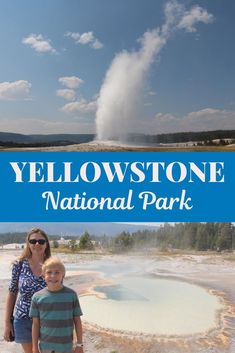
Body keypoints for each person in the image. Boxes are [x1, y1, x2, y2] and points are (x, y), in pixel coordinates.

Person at [4, 228, 51, 353]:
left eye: (41, 241)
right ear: (28, 243)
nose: (37, 244)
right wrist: (7, 323)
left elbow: (59, 294)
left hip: (47, 319)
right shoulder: (19, 265)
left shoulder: (52, 266)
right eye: (33, 241)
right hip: (23, 318)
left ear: (46, 244)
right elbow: (12, 292)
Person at [30, 256, 84, 353]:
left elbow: (77, 320)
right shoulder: (37, 297)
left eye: (57, 272)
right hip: (46, 346)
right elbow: (35, 324)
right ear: (43, 276)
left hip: (66, 347)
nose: (53, 276)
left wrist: (79, 344)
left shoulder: (71, 295)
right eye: (49, 272)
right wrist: (34, 347)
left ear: (63, 275)